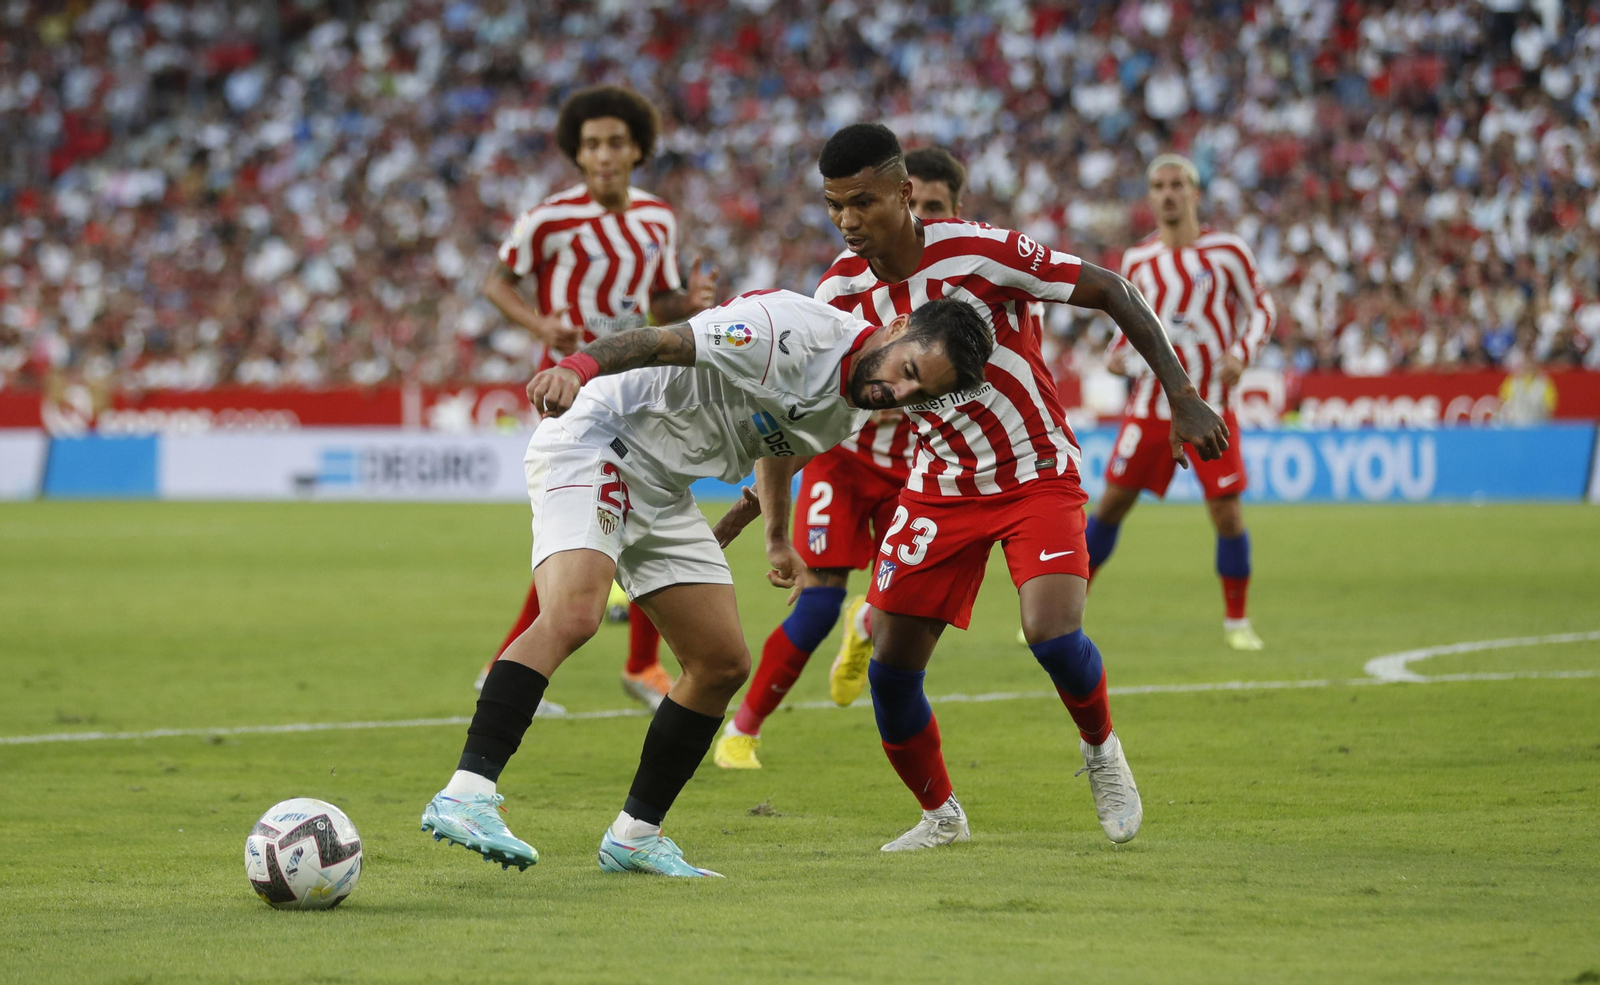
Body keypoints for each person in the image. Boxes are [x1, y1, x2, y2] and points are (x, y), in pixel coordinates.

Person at [738, 124, 1227, 853]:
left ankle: (1102, 750)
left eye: (863, 202)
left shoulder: (980, 250)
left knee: (1050, 632)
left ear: (905, 193)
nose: (847, 221)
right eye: (835, 205)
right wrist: (768, 521)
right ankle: (942, 814)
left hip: (1034, 469)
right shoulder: (838, 292)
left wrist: (1181, 394)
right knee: (891, 671)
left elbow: (1112, 289)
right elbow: (792, 411)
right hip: (936, 486)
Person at [420, 289, 994, 877]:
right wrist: (576, 367)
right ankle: (465, 793)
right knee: (574, 615)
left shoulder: (851, 406)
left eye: (919, 395)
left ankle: (635, 836)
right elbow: (662, 339)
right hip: (599, 440)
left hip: (665, 489)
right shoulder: (786, 328)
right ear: (897, 326)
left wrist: (770, 531)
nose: (898, 395)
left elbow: (779, 446)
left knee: (721, 663)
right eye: (908, 372)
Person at [712, 146, 968, 771]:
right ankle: (743, 730)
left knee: (902, 614)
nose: (925, 215)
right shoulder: (845, 286)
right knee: (820, 599)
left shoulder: (966, 291)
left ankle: (871, 621)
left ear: (949, 210)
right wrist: (761, 500)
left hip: (920, 469)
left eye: (938, 207)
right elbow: (804, 402)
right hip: (845, 460)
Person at [476, 85, 719, 710]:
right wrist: (540, 326)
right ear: (576, 156)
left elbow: (662, 304)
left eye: (615, 142)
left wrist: (688, 308)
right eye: (591, 145)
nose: (604, 154)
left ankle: (625, 664)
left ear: (638, 149)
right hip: (570, 393)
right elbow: (496, 283)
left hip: (639, 384)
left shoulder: (657, 219)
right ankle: (636, 665)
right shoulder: (550, 219)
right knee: (608, 521)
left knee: (628, 515)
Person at [1089, 154, 1276, 651]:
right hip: (1149, 408)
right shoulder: (1136, 260)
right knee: (1109, 508)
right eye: (1158, 185)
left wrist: (1241, 352)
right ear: (1150, 196)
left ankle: (1237, 622)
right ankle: (1062, 612)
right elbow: (1128, 330)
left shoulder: (1227, 251)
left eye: (1177, 185)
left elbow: (1263, 306)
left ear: (1195, 193)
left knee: (1227, 514)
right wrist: (1114, 357)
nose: (1168, 193)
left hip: (1211, 404)